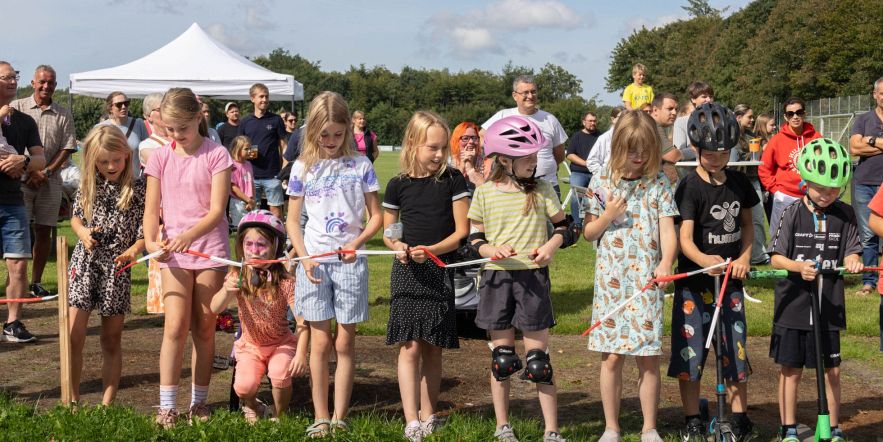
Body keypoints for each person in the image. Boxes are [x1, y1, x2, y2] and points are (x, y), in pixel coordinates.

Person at [468, 115, 574, 442]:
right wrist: (491, 250)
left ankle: (551, 430)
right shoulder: (485, 193)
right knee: (502, 360)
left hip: (533, 279)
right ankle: (503, 426)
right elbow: (475, 239)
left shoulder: (542, 189)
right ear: (504, 160)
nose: (534, 162)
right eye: (527, 157)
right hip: (497, 280)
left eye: (535, 155)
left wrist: (551, 246)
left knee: (539, 362)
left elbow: (565, 227)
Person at [284, 91, 382, 437]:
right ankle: (321, 416)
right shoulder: (302, 167)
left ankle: (340, 416)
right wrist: (304, 257)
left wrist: (356, 243)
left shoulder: (361, 165)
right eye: (323, 134)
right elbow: (292, 220)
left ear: (347, 130)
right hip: (314, 263)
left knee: (344, 343)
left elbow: (376, 216)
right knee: (320, 343)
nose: (330, 141)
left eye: (337, 134)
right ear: (312, 131)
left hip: (350, 264)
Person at [582, 110, 678, 442]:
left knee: (648, 357)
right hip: (611, 283)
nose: (638, 157)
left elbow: (668, 230)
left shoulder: (659, 182)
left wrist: (667, 262)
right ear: (618, 147)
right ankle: (612, 427)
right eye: (632, 150)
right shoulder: (601, 181)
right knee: (611, 357)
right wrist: (607, 215)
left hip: (647, 283)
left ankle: (649, 428)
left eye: (645, 150)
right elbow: (589, 232)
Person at [666, 103, 758, 441]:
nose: (717, 159)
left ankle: (739, 417)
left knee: (735, 350)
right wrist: (705, 261)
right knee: (691, 354)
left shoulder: (739, 183)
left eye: (723, 153)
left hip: (730, 283)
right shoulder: (689, 187)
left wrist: (744, 257)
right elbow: (684, 239)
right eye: (710, 154)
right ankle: (692, 417)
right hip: (694, 285)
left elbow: (747, 226)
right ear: (696, 148)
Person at [143, 88, 233, 427]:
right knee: (175, 327)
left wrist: (188, 236)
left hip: (209, 250)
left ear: (198, 117)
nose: (176, 134)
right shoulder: (160, 157)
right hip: (173, 255)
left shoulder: (217, 154)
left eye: (182, 127)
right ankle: (167, 406)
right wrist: (151, 242)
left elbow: (217, 211)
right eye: (169, 129)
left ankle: (199, 402)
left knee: (205, 326)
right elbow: (151, 210)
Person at [382, 111, 469, 441]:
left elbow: (461, 232)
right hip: (407, 271)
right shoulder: (397, 185)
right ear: (413, 143)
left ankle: (429, 415)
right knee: (409, 346)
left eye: (444, 148)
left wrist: (431, 250)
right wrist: (397, 246)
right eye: (432, 147)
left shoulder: (453, 180)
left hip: (438, 268)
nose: (439, 154)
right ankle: (411, 420)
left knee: (433, 346)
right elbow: (390, 232)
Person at [768, 138, 861, 442]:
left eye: (834, 190)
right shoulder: (791, 212)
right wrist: (798, 266)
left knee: (832, 370)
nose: (827, 195)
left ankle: (833, 428)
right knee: (791, 369)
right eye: (820, 189)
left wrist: (853, 259)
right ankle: (788, 427)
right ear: (806, 181)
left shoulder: (845, 213)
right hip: (793, 305)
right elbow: (775, 257)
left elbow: (852, 249)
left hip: (829, 304)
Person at [67, 125, 146, 405]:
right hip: (84, 264)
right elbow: (76, 218)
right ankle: (71, 401)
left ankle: (107, 405)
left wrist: (133, 251)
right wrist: (82, 233)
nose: (111, 167)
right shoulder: (88, 184)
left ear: (126, 154)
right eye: (103, 162)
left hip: (117, 268)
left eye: (116, 160)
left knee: (111, 339)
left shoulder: (139, 189)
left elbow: (144, 234)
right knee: (73, 335)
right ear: (92, 160)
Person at [210, 210, 310, 423]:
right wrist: (226, 291)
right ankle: (254, 405)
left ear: (275, 247)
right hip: (250, 345)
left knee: (280, 373)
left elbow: (302, 321)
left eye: (261, 245)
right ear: (241, 246)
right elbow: (215, 308)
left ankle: (280, 415)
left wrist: (301, 353)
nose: (254, 251)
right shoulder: (238, 276)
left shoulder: (285, 281)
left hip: (280, 343)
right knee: (243, 387)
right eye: (249, 244)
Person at [11, 65, 77, 299]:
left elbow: (68, 147)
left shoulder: (63, 113)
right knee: (18, 231)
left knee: (44, 230)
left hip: (50, 181)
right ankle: (15, 282)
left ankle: (36, 282)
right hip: (19, 180)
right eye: (42, 82)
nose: (46, 86)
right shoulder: (16, 107)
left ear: (56, 85)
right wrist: (28, 170)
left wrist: (45, 173)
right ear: (33, 83)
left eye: (50, 82)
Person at [0, 61, 46, 343]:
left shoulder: (25, 121)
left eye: (14, 76)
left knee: (18, 264)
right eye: (5, 77)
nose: (12, 81)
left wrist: (23, 160)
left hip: (13, 202)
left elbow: (40, 158)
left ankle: (13, 323)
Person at [482, 75, 568, 199]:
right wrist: (490, 160)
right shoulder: (503, 115)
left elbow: (559, 155)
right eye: (525, 92)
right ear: (515, 95)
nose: (530, 96)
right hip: (512, 186)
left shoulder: (550, 119)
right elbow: (482, 138)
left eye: (533, 92)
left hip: (548, 185)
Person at [758, 97, 822, 239]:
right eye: (790, 114)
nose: (795, 116)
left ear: (804, 114)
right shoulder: (777, 139)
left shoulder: (816, 137)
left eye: (799, 112)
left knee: (813, 236)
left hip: (812, 196)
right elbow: (764, 168)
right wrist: (776, 190)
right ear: (785, 117)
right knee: (780, 238)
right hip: (785, 196)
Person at [848, 77, 883, 297]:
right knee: (868, 235)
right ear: (875, 94)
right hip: (864, 183)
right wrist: (879, 143)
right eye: (882, 93)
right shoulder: (863, 119)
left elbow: (861, 145)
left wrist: (870, 141)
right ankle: (869, 281)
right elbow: (854, 148)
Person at [239, 83, 287, 219]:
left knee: (276, 212)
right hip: (251, 175)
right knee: (252, 211)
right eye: (261, 96)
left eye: (266, 96)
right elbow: (239, 147)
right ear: (252, 98)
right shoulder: (245, 121)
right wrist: (246, 154)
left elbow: (284, 145)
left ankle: (276, 233)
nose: (265, 100)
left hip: (273, 174)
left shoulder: (276, 119)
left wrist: (283, 168)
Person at [731, 104, 769, 265]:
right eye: (749, 116)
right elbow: (734, 159)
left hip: (753, 180)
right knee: (737, 220)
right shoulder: (731, 135)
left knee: (757, 218)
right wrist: (753, 155)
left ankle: (759, 255)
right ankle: (739, 254)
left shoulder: (750, 134)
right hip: (737, 181)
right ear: (738, 117)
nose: (752, 119)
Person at [96, 92, 148, 172]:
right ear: (110, 108)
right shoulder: (100, 128)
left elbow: (147, 150)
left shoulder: (138, 124)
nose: (123, 107)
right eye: (119, 105)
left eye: (126, 103)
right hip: (110, 176)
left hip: (133, 178)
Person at [565, 111, 599, 227]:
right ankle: (577, 224)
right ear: (584, 122)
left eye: (594, 121)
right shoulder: (577, 136)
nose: (593, 123)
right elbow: (570, 155)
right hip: (579, 172)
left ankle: (595, 223)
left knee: (600, 196)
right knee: (576, 195)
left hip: (596, 173)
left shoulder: (601, 136)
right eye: (590, 121)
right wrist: (586, 164)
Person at [672, 81, 714, 161]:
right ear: (693, 99)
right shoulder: (681, 122)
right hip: (691, 167)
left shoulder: (720, 120)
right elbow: (678, 152)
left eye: (711, 96)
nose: (708, 100)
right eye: (704, 97)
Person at [650, 92, 684, 184]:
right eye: (670, 109)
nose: (674, 113)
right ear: (655, 110)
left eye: (676, 109)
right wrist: (693, 151)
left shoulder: (650, 123)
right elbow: (672, 156)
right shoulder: (652, 125)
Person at [585, 106, 626, 176]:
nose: (624, 120)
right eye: (621, 117)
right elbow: (591, 161)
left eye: (626, 117)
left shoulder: (631, 138)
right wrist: (604, 176)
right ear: (613, 119)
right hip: (608, 178)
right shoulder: (604, 138)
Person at [228, 136, 256, 229]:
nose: (250, 151)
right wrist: (247, 199)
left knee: (249, 227)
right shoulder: (232, 165)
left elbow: (251, 183)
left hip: (249, 202)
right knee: (239, 228)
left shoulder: (248, 164)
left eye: (250, 148)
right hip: (238, 202)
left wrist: (252, 200)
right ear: (237, 149)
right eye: (246, 149)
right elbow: (233, 187)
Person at [449, 121, 486, 190]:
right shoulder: (447, 163)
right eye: (465, 138)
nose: (471, 142)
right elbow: (449, 189)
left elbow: (487, 190)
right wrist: (462, 165)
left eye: (474, 138)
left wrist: (470, 167)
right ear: (456, 140)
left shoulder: (485, 162)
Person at [137, 93, 170, 169]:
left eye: (167, 108)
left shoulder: (181, 136)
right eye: (160, 109)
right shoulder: (147, 145)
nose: (166, 112)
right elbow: (164, 166)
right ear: (148, 116)